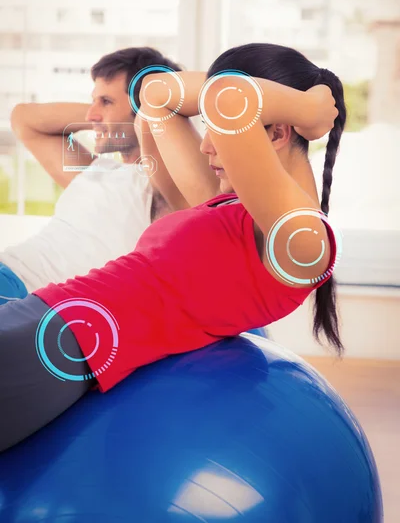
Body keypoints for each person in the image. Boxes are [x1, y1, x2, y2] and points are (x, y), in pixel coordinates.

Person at [0, 43, 346, 451]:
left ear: (277, 132)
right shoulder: (221, 203)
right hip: (47, 309)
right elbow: (156, 96)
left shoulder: (300, 238)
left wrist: (306, 109)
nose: (205, 144)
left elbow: (226, 98)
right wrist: (297, 103)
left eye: (216, 128)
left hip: (70, 342)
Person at [0, 47, 192, 305]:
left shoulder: (166, 188)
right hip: (8, 271)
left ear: (143, 107)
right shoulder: (96, 170)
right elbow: (24, 118)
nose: (91, 114)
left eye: (106, 101)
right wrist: (106, 119)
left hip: (27, 298)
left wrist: (145, 113)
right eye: (94, 101)